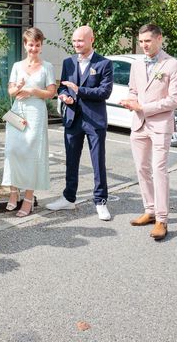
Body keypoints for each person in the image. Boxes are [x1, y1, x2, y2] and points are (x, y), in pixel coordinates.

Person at [119, 23, 177, 241]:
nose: (144, 45)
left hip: (160, 125)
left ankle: (162, 219)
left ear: (159, 39)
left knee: (159, 170)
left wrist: (144, 107)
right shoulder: (137, 64)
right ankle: (150, 209)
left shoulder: (172, 64)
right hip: (138, 124)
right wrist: (131, 101)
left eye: (147, 41)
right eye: (141, 42)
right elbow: (133, 89)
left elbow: (174, 100)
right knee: (142, 169)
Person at [46, 26, 113, 221]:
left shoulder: (104, 63)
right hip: (72, 119)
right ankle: (68, 198)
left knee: (98, 162)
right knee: (71, 161)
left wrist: (79, 90)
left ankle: (100, 201)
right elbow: (62, 88)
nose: (76, 44)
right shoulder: (68, 62)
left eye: (80, 41)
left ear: (92, 39)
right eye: (74, 41)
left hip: (95, 120)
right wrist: (65, 96)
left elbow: (104, 92)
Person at [2, 28, 56, 217]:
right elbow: (10, 91)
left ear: (41, 46)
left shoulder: (47, 66)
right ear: (25, 45)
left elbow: (51, 93)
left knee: (32, 154)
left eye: (37, 45)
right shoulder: (17, 65)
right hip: (18, 111)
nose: (34, 48)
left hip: (36, 113)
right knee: (12, 151)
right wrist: (16, 88)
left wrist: (32, 90)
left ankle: (28, 198)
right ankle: (13, 192)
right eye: (31, 44)